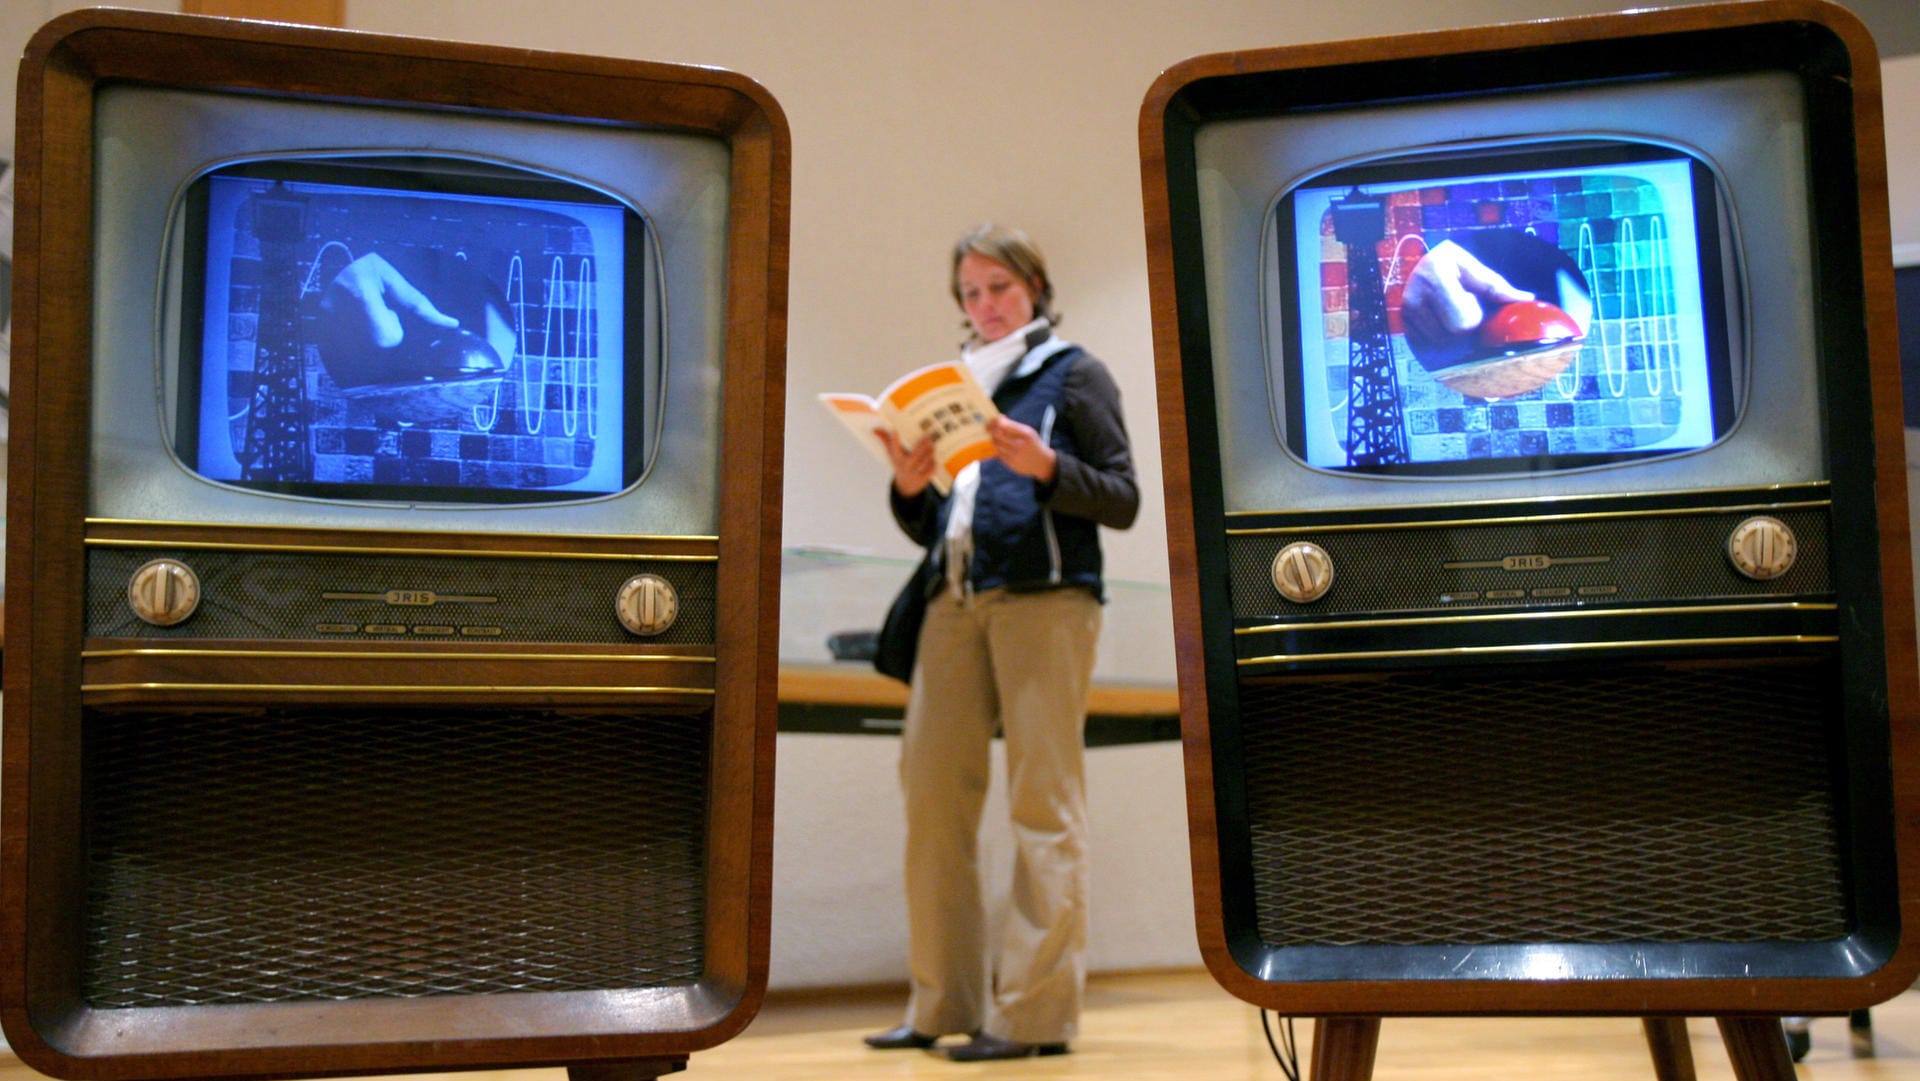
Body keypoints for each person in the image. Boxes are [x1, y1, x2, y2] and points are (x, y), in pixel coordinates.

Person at [864, 224, 1139, 1062]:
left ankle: (1031, 1014)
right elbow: (942, 516)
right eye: (971, 292)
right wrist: (909, 489)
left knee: (1041, 805)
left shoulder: (1075, 373)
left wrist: (1049, 467)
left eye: (1000, 288)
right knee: (932, 802)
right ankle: (941, 999)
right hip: (954, 596)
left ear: (1035, 289)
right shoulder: (955, 388)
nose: (985, 305)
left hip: (1045, 600)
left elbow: (1122, 497)